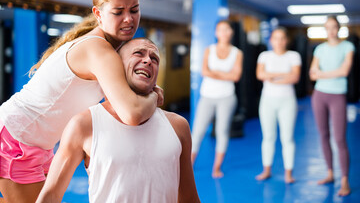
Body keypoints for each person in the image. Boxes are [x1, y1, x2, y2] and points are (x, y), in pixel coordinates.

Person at [0, 0, 163, 203]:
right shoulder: (98, 49)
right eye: (118, 12)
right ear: (98, 14)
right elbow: (132, 113)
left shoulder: (109, 49)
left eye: (134, 10)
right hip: (16, 137)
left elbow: (117, 102)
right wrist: (155, 95)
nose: (129, 19)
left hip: (39, 141)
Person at [36, 38, 200, 203]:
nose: (148, 60)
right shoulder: (84, 124)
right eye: (138, 53)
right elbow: (51, 195)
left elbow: (189, 198)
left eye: (154, 59)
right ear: (117, 66)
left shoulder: (177, 126)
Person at [191, 20, 243, 178]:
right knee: (198, 131)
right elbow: (204, 72)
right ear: (216, 33)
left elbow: (236, 76)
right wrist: (225, 75)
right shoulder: (209, 50)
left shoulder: (237, 53)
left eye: (227, 29)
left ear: (231, 32)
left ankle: (217, 168)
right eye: (220, 30)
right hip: (207, 96)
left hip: (227, 97)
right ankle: (188, 165)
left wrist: (216, 73)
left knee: (222, 131)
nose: (224, 33)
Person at [309, 15, 354, 196]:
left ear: (339, 28)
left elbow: (344, 71)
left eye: (334, 27)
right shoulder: (319, 49)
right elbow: (312, 75)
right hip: (319, 95)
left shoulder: (347, 47)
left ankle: (344, 180)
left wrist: (322, 73)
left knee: (340, 139)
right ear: (325, 29)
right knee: (323, 135)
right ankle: (330, 173)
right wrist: (324, 74)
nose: (331, 30)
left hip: (337, 96)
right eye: (328, 27)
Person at [255, 27, 301, 183]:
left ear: (286, 40)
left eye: (282, 38)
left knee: (287, 138)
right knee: (268, 137)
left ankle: (289, 173)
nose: (279, 41)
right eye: (276, 38)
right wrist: (283, 74)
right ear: (271, 40)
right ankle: (266, 170)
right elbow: (260, 75)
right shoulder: (264, 56)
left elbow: (294, 78)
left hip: (287, 101)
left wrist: (271, 76)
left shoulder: (294, 56)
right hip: (267, 101)